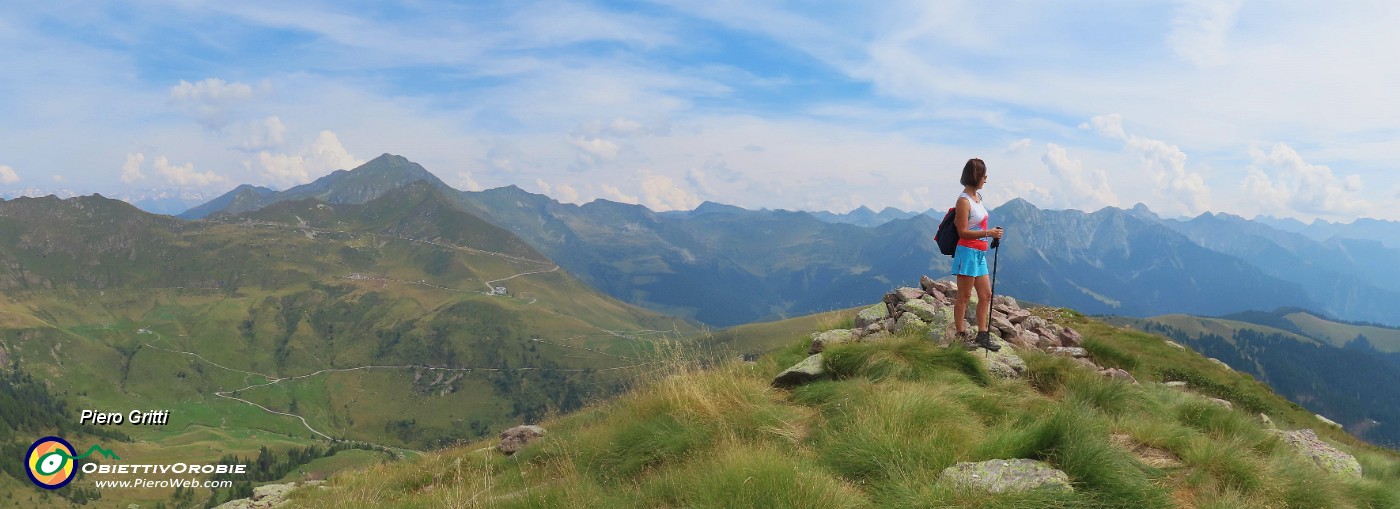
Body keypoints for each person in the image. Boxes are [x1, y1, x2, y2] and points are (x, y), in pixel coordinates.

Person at [950, 158, 1003, 351]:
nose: (986, 180)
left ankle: (982, 335)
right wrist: (989, 233)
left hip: (979, 254)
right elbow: (962, 232)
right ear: (976, 176)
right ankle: (960, 336)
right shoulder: (963, 201)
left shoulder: (978, 199)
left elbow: (976, 225)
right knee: (964, 296)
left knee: (986, 295)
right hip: (967, 252)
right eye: (984, 176)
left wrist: (991, 233)